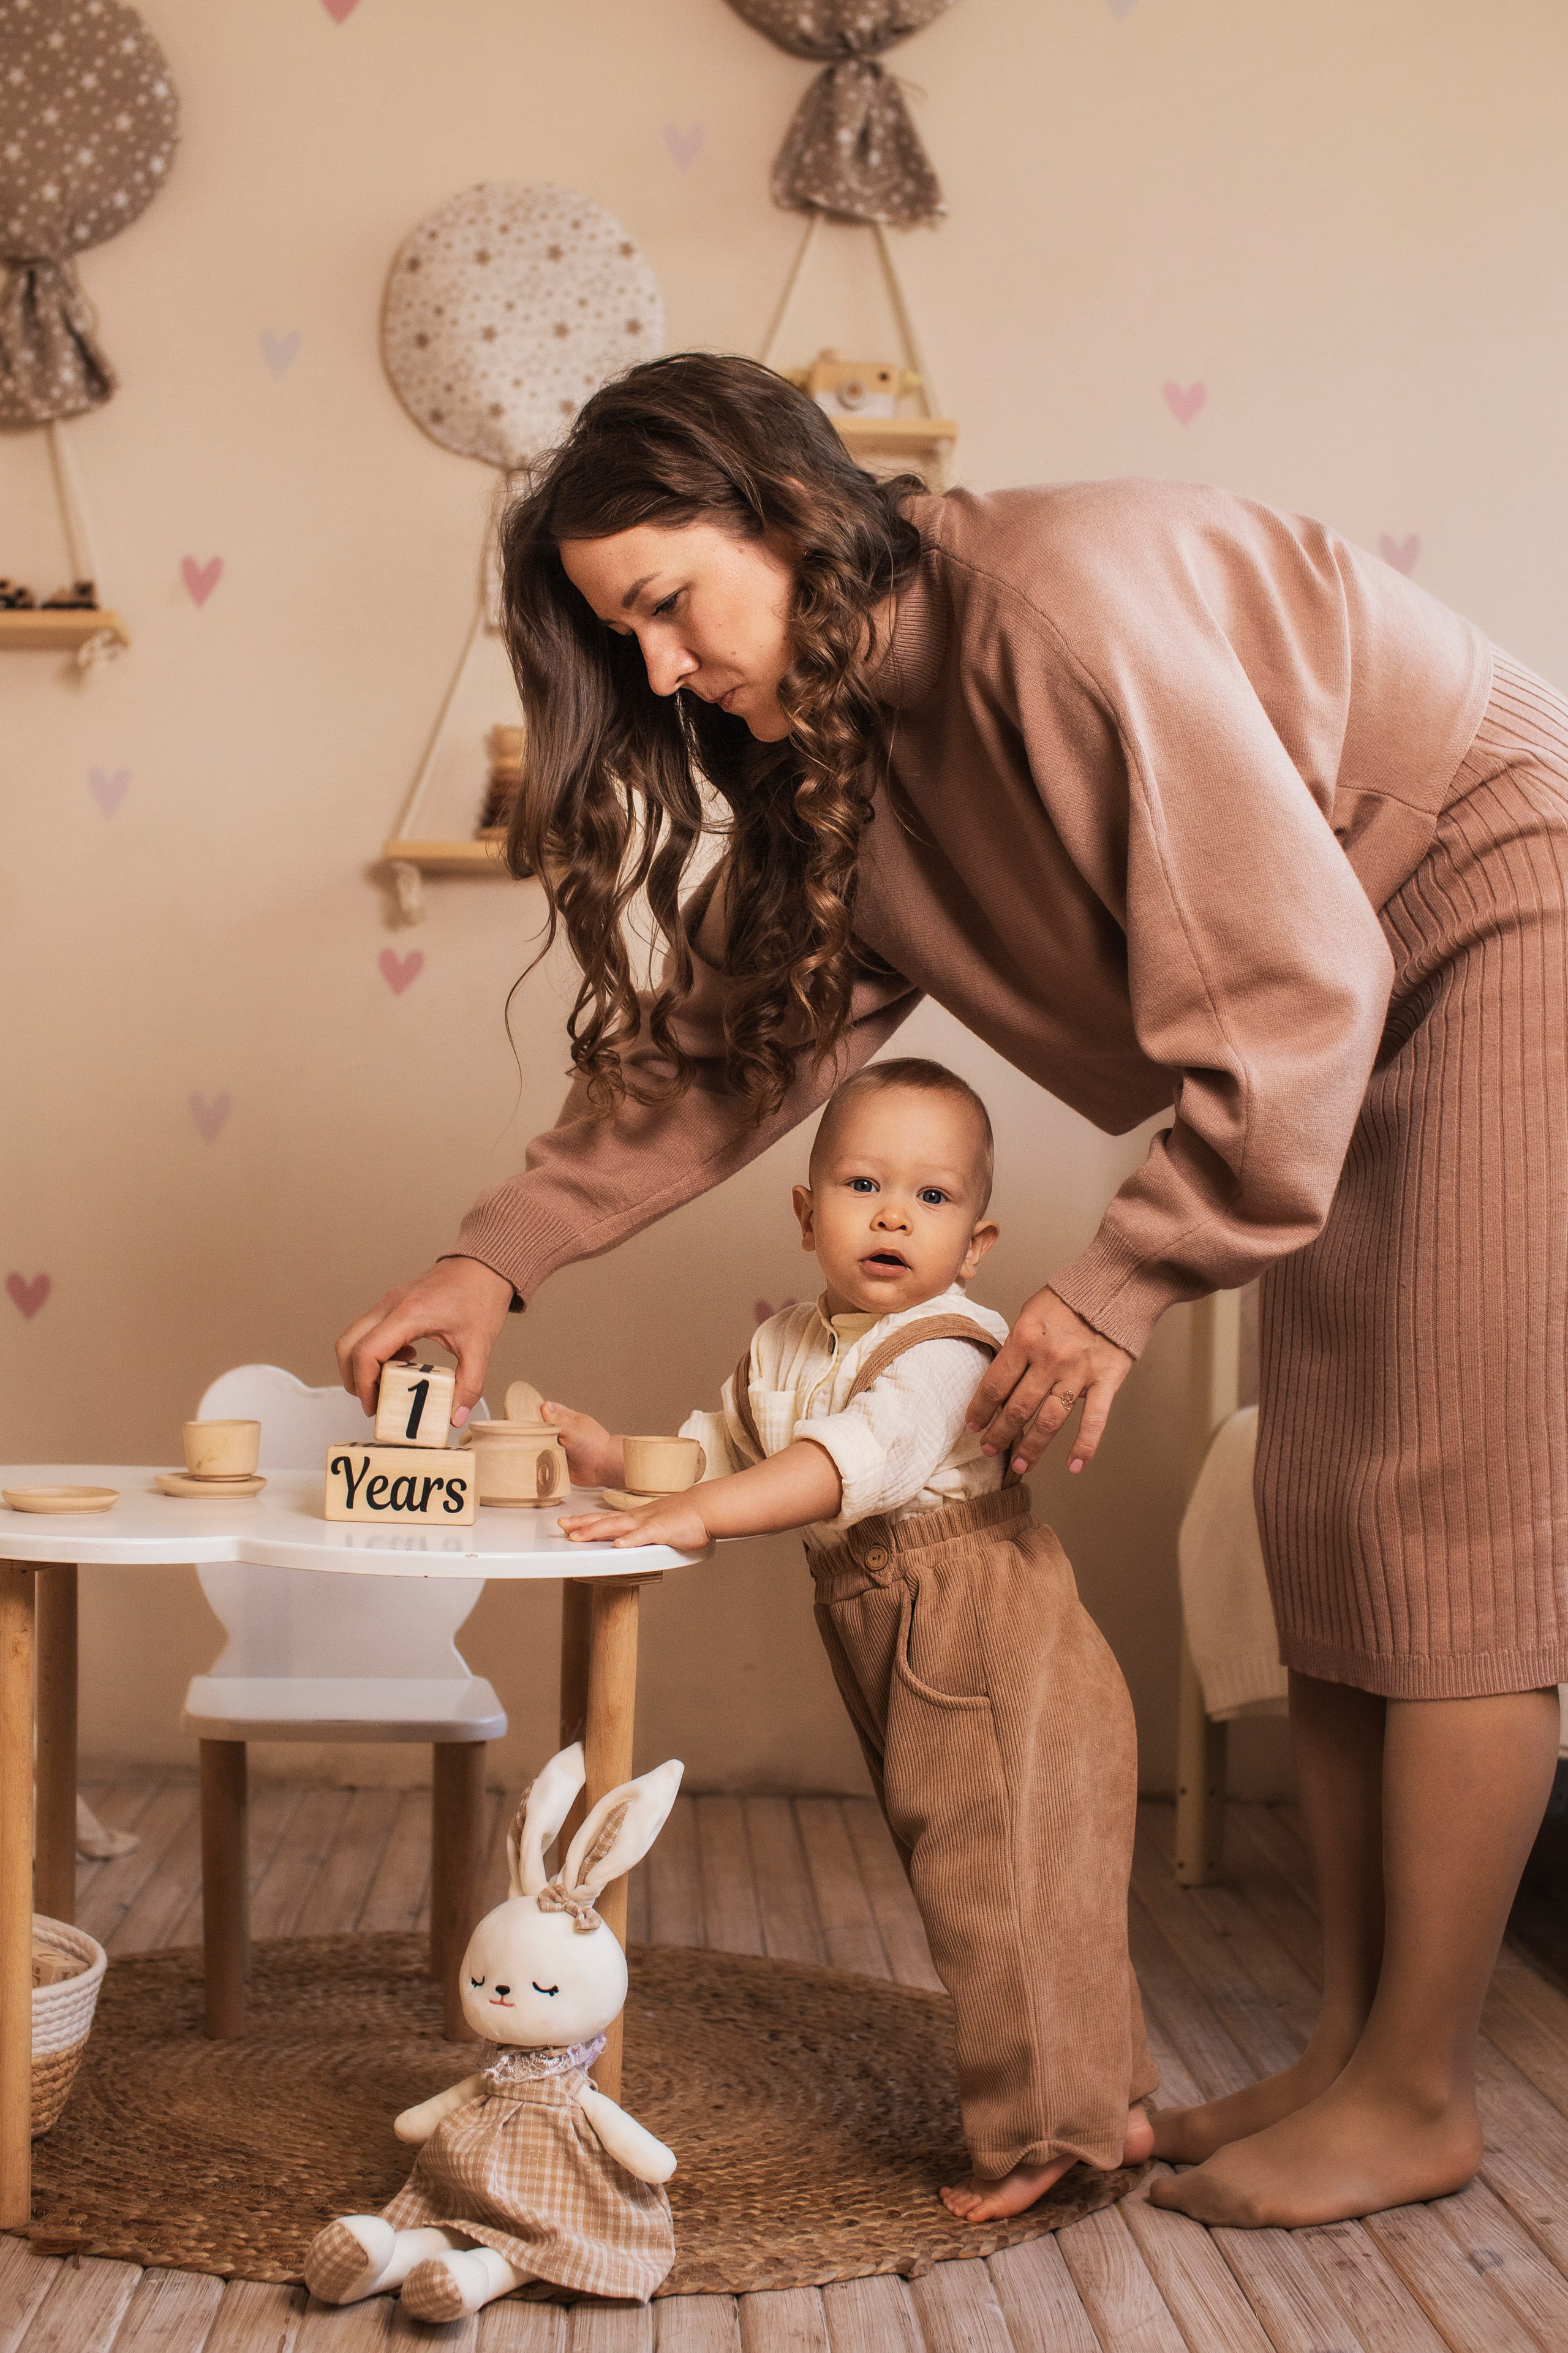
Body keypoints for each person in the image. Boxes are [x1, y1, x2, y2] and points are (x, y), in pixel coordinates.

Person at [338, 352, 1568, 2228]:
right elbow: (738, 1038)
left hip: (1489, 903)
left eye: (668, 598)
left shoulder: (1055, 619)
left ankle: (1417, 2087)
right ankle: (1346, 2047)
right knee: (1326, 1508)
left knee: (1445, 1513)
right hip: (1348, 989)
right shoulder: (843, 748)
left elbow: (1301, 976)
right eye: (621, 634)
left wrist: (1115, 1285)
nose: (658, 670)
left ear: (786, 506)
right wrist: (487, 1256)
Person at [541, 1055, 1155, 2219]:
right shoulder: (783, 1347)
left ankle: (1041, 2129)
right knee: (1026, 1868)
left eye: (931, 1198)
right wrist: (622, 1466)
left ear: (974, 1242)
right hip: (902, 1638)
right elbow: (720, 1455)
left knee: (1008, 1880)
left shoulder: (946, 1349)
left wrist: (700, 1517)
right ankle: (1108, 2100)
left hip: (988, 1632)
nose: (891, 1213)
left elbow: (840, 1467)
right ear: (806, 1212)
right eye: (863, 1183)